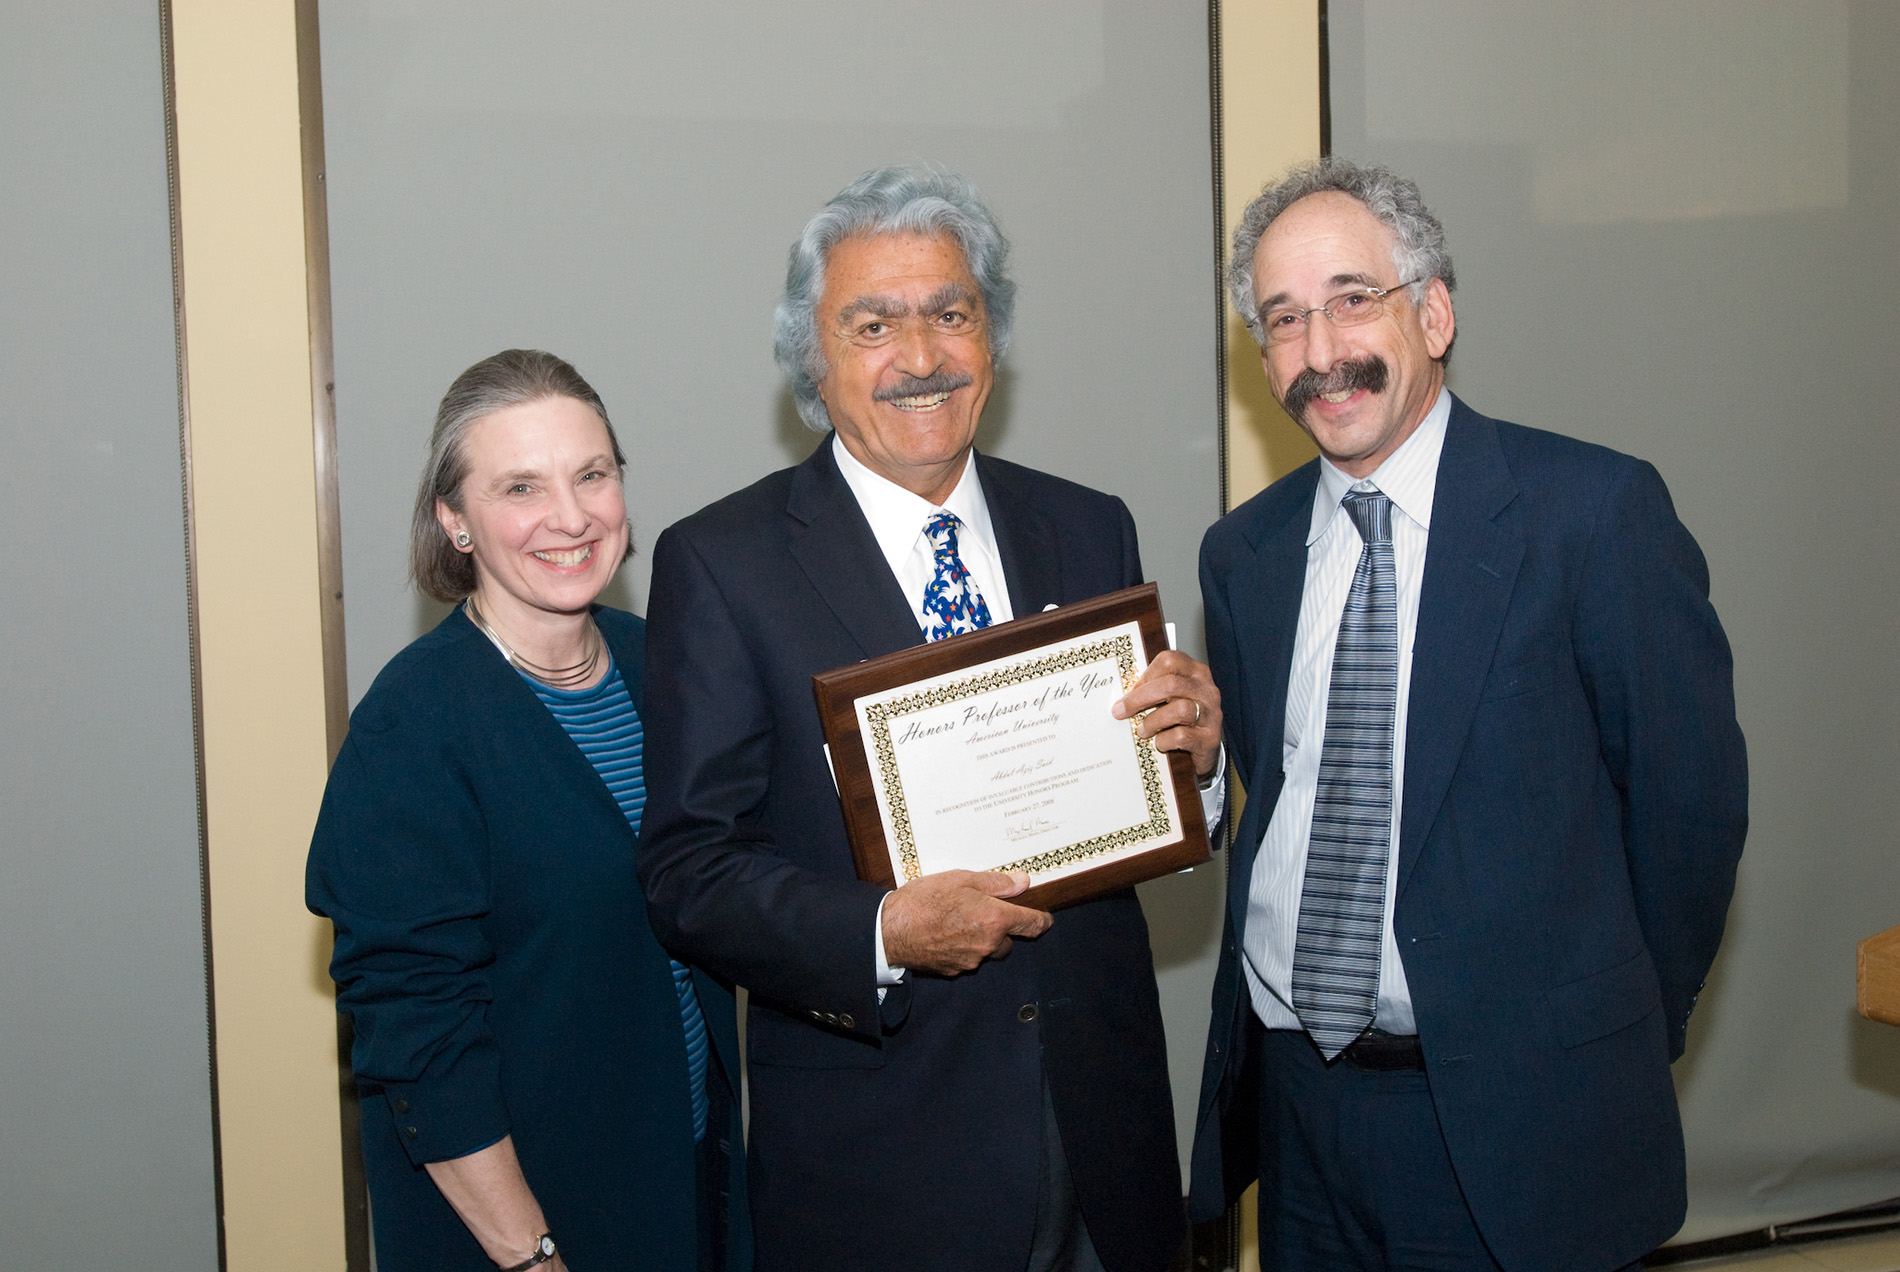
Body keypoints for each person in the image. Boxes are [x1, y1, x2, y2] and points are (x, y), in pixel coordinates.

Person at [637, 166, 1225, 1272]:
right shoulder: (723, 564)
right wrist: (878, 935)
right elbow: (687, 870)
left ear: (990, 339)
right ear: (812, 357)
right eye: (873, 324)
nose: (920, 357)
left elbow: (1132, 806)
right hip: (882, 1161)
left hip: (1109, 1142)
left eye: (950, 313)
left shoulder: (1088, 526)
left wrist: (1192, 764)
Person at [1187, 157, 1749, 1271]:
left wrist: (1613, 1034)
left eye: (1353, 299)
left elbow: (1688, 814)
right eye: (1285, 321)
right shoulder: (1241, 555)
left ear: (1433, 313)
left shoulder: (1591, 515)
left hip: (1522, 1118)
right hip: (1302, 1116)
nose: (1320, 352)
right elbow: (1282, 791)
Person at [308, 350, 749, 1272]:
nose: (570, 515)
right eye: (520, 487)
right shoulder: (413, 728)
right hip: (527, 1218)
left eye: (592, 474)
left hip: (683, 1178)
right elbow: (418, 1032)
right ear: (455, 521)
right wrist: (531, 1253)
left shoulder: (659, 663)